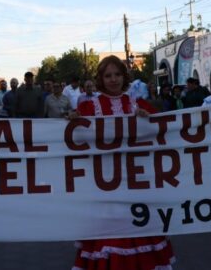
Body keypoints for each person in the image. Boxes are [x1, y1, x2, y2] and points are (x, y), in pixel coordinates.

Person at [71, 55, 175, 270]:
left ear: (124, 76)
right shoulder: (91, 106)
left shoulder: (136, 103)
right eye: (108, 75)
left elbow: (161, 127)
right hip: (106, 181)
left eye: (117, 74)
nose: (113, 79)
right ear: (101, 78)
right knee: (110, 229)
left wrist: (147, 117)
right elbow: (75, 134)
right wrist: (72, 120)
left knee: (136, 224)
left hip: (136, 179)